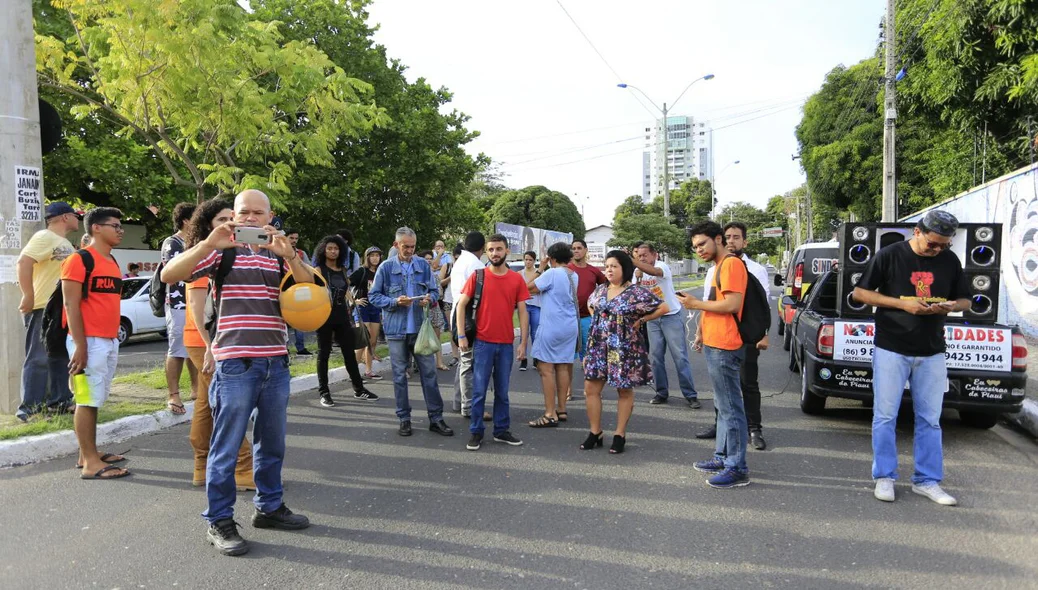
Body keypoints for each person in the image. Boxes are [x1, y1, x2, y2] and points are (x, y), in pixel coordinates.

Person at [162, 189, 315, 557]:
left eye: (257, 213)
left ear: (270, 216)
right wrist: (207, 244)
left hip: (275, 361)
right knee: (227, 445)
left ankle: (269, 507)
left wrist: (289, 254)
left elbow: (309, 289)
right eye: (243, 212)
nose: (249, 219)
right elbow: (170, 274)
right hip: (235, 363)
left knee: (272, 442)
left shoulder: (282, 253)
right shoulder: (221, 251)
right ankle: (219, 519)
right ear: (235, 214)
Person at [852, 210, 968, 506]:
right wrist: (904, 306)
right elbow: (860, 294)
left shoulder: (950, 260)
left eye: (944, 245)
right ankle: (885, 477)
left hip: (932, 350)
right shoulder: (890, 255)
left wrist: (953, 305)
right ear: (917, 232)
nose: (938, 249)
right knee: (885, 415)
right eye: (933, 244)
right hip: (892, 346)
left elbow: (966, 299)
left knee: (930, 420)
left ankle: (927, 481)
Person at [183, 199, 255, 491]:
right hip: (208, 341)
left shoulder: (221, 253)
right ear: (208, 226)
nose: (231, 224)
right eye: (223, 219)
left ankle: (201, 466)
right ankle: (243, 467)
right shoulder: (209, 255)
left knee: (204, 403)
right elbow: (197, 309)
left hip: (204, 340)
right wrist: (211, 347)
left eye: (232, 218)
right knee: (227, 407)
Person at [681, 221, 750, 489]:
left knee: (731, 408)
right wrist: (700, 330)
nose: (698, 249)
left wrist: (694, 303)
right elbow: (714, 305)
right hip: (715, 343)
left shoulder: (731, 264)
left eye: (702, 244)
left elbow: (733, 304)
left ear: (718, 239)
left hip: (726, 345)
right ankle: (722, 457)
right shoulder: (718, 267)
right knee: (723, 407)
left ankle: (737, 467)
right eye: (695, 246)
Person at [63, 207, 130, 480]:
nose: (120, 230)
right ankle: (91, 463)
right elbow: (71, 304)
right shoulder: (79, 260)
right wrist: (80, 345)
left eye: (120, 225)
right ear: (96, 228)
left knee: (95, 398)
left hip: (108, 339)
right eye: (115, 225)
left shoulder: (111, 261)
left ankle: (86, 453)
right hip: (86, 341)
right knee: (86, 400)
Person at [579, 250, 668, 454]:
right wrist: (598, 321)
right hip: (599, 345)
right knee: (591, 389)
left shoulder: (635, 292)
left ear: (624, 269)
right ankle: (595, 432)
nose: (609, 270)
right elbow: (590, 304)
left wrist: (641, 320)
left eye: (614, 266)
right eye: (607, 266)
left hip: (624, 346)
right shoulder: (601, 290)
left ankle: (620, 434)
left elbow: (663, 307)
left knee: (624, 390)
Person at [369, 227, 454, 438]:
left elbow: (435, 291)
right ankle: (404, 419)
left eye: (412, 246)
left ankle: (436, 418)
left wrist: (430, 299)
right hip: (396, 331)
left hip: (420, 328)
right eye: (405, 246)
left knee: (429, 374)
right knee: (399, 376)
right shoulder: (386, 268)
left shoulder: (423, 266)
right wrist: (394, 301)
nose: (409, 250)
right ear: (396, 244)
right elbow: (374, 297)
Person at [696, 222, 771, 449]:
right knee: (723, 389)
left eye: (736, 237)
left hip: (744, 335)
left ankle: (753, 429)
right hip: (718, 338)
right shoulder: (714, 269)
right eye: (727, 236)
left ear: (744, 242)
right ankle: (721, 428)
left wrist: (764, 334)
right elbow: (709, 302)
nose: (731, 241)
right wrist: (700, 332)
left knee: (747, 384)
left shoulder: (754, 269)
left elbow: (762, 305)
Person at [454, 234, 529, 451]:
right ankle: (476, 432)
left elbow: (523, 312)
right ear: (486, 252)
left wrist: (523, 342)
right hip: (483, 343)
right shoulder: (478, 276)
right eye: (491, 249)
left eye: (499, 249)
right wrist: (461, 336)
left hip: (506, 344)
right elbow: (461, 306)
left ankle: (501, 430)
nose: (494, 253)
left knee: (503, 392)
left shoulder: (516, 279)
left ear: (507, 251)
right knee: (478, 391)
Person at [15, 201, 78, 421]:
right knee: (39, 358)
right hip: (43, 306)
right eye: (74, 214)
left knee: (59, 356)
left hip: (62, 309)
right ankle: (29, 409)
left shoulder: (65, 243)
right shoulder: (44, 236)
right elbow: (23, 262)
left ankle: (59, 401)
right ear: (64, 217)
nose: (77, 218)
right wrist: (28, 295)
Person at [632, 242, 701, 409]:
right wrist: (638, 277)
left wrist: (634, 262)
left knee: (680, 357)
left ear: (654, 255)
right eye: (639, 256)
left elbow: (655, 272)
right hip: (653, 318)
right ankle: (661, 392)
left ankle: (690, 395)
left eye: (645, 255)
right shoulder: (638, 272)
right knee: (656, 358)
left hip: (671, 316)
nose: (642, 259)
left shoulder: (661, 266)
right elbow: (636, 293)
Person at [312, 235, 379, 407]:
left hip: (342, 315)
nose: (333, 251)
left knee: (349, 353)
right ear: (323, 250)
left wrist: (353, 302)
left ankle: (359, 389)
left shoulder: (342, 269)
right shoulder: (318, 269)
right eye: (330, 248)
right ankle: (324, 392)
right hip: (323, 316)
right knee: (323, 354)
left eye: (336, 248)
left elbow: (346, 289)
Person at [525, 242, 579, 427]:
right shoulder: (574, 275)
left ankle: (549, 413)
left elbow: (529, 288)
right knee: (563, 367)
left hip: (552, 325)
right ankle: (561, 409)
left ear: (552, 258)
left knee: (546, 369)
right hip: (569, 325)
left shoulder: (552, 273)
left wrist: (541, 267)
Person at [160, 202, 198, 414]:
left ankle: (196, 389)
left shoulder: (196, 242)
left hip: (195, 302)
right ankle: (173, 395)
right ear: (185, 220)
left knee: (193, 348)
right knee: (177, 350)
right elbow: (177, 271)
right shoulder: (172, 243)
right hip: (178, 303)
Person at [450, 231, 486, 417]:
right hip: (468, 316)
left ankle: (460, 402)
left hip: (458, 315)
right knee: (468, 363)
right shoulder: (476, 265)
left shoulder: (461, 261)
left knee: (464, 362)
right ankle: (469, 406)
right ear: (483, 248)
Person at [568, 239, 607, 402]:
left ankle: (589, 389)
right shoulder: (567, 270)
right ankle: (568, 391)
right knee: (568, 357)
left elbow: (607, 286)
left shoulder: (593, 271)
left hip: (588, 319)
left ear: (585, 250)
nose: (576, 251)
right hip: (569, 319)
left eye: (579, 248)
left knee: (588, 355)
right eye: (573, 249)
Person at [349, 246, 384, 380]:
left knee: (373, 341)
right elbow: (344, 283)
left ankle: (369, 370)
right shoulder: (361, 271)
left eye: (377, 255)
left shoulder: (381, 272)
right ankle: (354, 372)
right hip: (362, 308)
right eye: (372, 255)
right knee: (362, 341)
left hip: (375, 308)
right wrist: (353, 301)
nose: (375, 258)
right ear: (367, 257)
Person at [420, 250, 451, 371]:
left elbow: (439, 293)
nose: (428, 261)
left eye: (430, 258)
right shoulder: (416, 275)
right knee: (419, 337)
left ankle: (439, 362)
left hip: (434, 308)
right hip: (420, 309)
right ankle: (417, 365)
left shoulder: (434, 276)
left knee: (437, 336)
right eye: (425, 258)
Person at [285, 228, 312, 355]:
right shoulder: (277, 252)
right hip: (284, 289)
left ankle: (301, 348)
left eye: (296, 238)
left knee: (299, 318)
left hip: (299, 289)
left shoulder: (301, 254)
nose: (294, 240)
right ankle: (284, 347)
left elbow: (309, 270)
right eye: (291, 238)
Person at [519, 250, 541, 371]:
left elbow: (539, 289)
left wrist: (526, 291)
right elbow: (518, 290)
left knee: (535, 333)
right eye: (526, 259)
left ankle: (536, 358)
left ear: (534, 261)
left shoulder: (539, 273)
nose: (528, 262)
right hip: (524, 306)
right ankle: (523, 358)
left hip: (536, 306)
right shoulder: (519, 274)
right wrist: (527, 291)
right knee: (524, 333)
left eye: (530, 260)